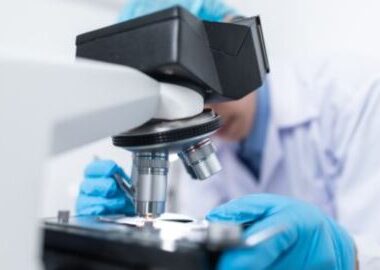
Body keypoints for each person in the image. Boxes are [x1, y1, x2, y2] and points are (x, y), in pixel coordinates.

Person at [76, 1, 380, 269]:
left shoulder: (354, 99)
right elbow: (201, 243)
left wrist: (344, 257)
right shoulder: (205, 139)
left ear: (237, 47)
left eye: (198, 92)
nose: (201, 112)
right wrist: (129, 237)